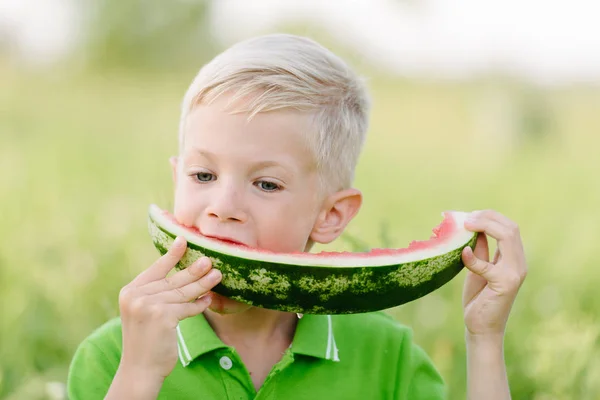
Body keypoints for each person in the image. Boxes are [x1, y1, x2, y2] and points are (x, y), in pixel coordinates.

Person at [67, 33, 527, 399]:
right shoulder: (112, 357)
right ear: (175, 178)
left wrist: (484, 340)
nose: (222, 207)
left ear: (330, 215)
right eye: (203, 174)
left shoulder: (388, 357)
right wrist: (139, 377)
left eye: (266, 184)